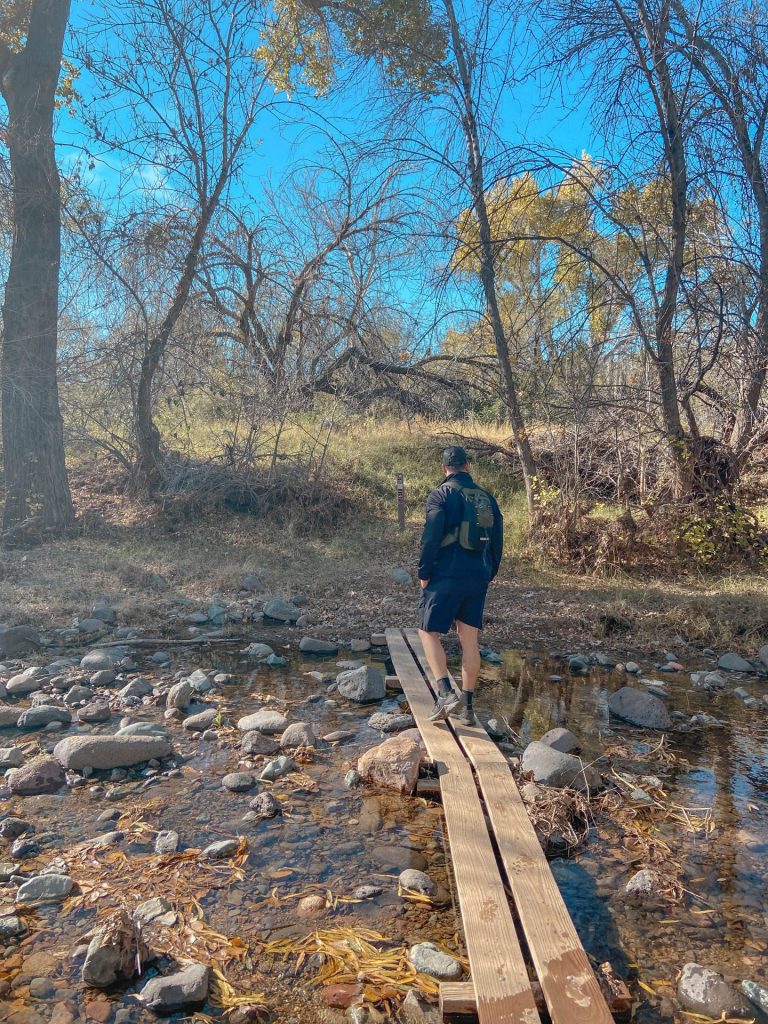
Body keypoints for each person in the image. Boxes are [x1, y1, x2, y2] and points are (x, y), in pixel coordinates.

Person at [418, 446, 503, 726]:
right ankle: (467, 708)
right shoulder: (487, 498)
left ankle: (444, 693)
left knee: (428, 631)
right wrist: (489, 572)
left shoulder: (441, 494)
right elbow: (498, 540)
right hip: (478, 575)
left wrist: (424, 572)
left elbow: (431, 538)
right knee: (469, 640)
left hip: (446, 575)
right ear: (467, 466)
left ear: (444, 469)